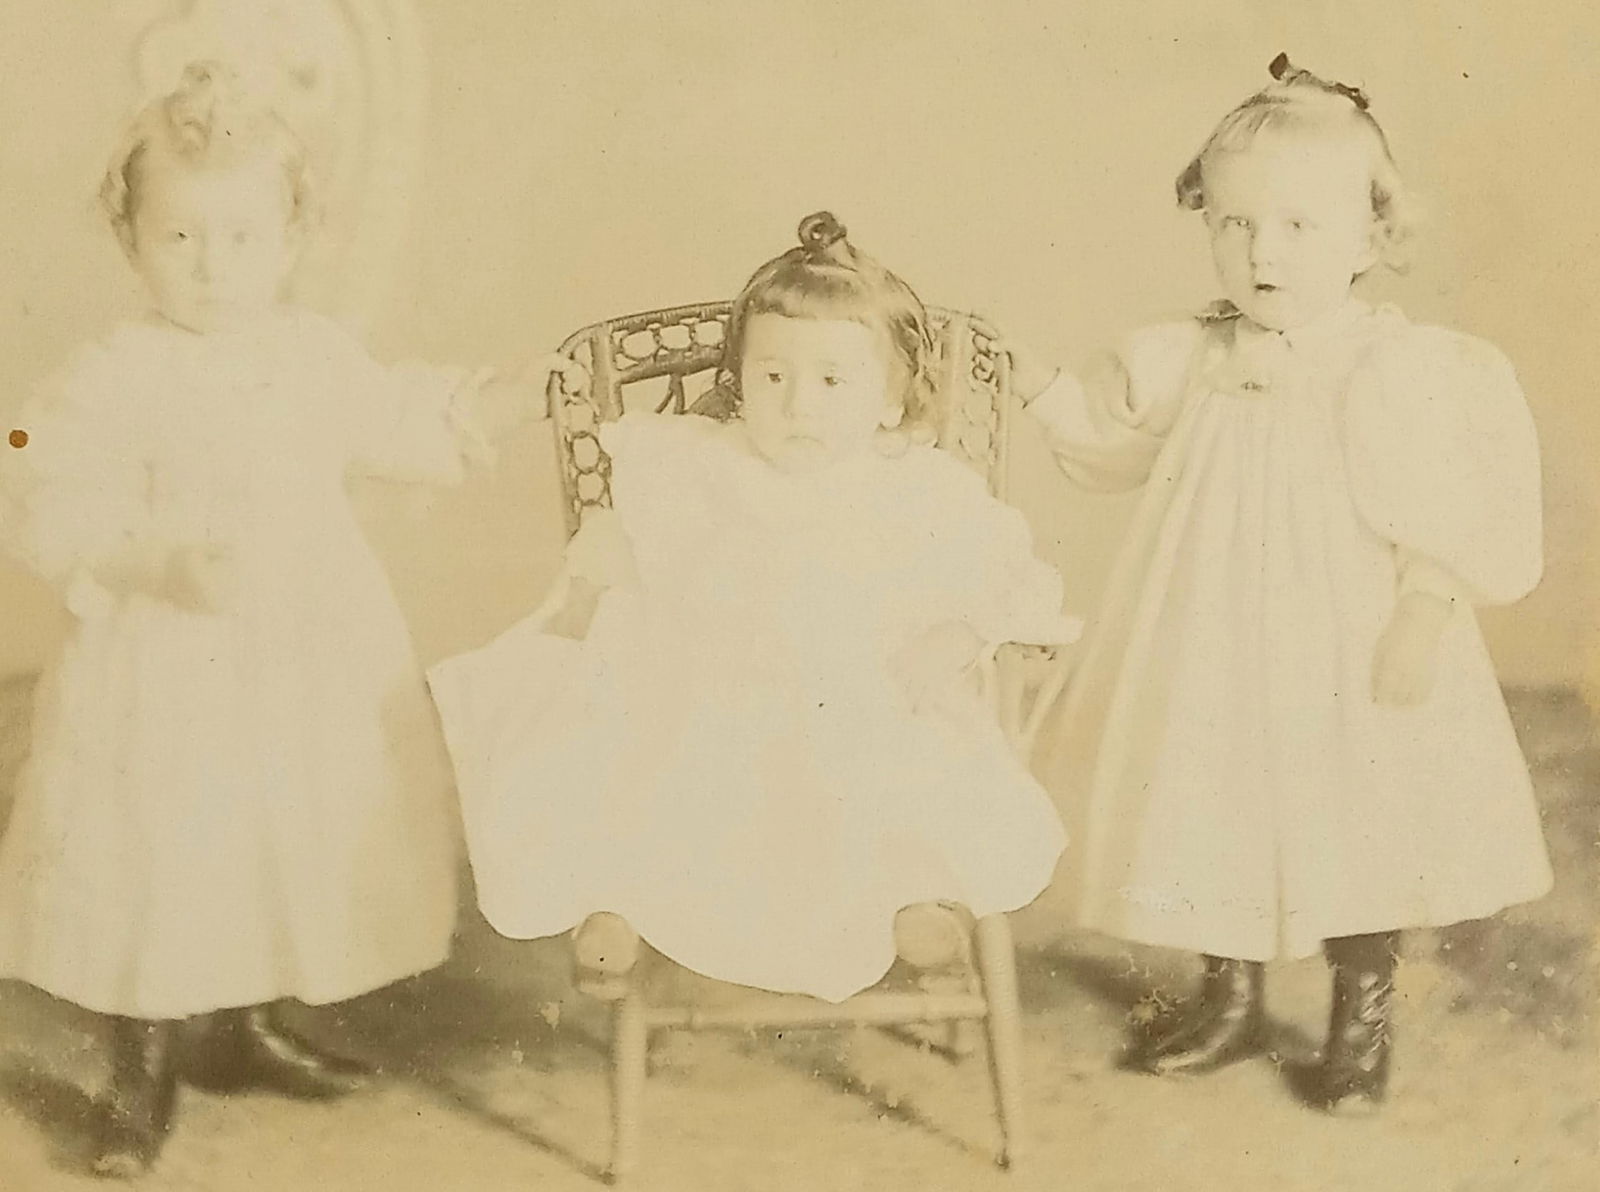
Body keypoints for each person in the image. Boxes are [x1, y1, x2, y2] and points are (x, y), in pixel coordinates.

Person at [0, 61, 567, 1176]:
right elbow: (42, 486)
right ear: (130, 236)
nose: (213, 266)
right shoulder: (114, 372)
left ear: (292, 236)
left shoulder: (310, 355)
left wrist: (491, 401)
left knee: (275, 828)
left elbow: (396, 419)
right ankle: (141, 1065)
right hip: (164, 653)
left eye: (242, 237)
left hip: (303, 645)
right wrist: (154, 558)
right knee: (164, 839)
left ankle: (243, 1024)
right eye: (180, 237)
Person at [1011, 55, 1550, 1113]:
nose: (1261, 253)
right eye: (1236, 224)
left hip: (1345, 630)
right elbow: (1116, 445)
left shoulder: (1392, 366)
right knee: (1215, 790)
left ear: (1369, 237)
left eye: (1298, 226)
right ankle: (1230, 997)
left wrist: (1425, 604)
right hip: (1213, 623)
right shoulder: (1199, 352)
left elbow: (1446, 500)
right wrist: (1036, 387)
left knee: (1359, 802)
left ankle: (1362, 1015)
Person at [428, 212, 1078, 1004]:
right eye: (773, 377)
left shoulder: (916, 486)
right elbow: (619, 553)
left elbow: (1012, 576)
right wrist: (594, 605)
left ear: (889, 400)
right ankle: (621, 906)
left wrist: (960, 632)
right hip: (713, 695)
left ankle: (915, 903)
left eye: (832, 382)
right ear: (740, 381)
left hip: (867, 698)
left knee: (899, 775)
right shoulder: (698, 468)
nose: (799, 404)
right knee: (648, 764)